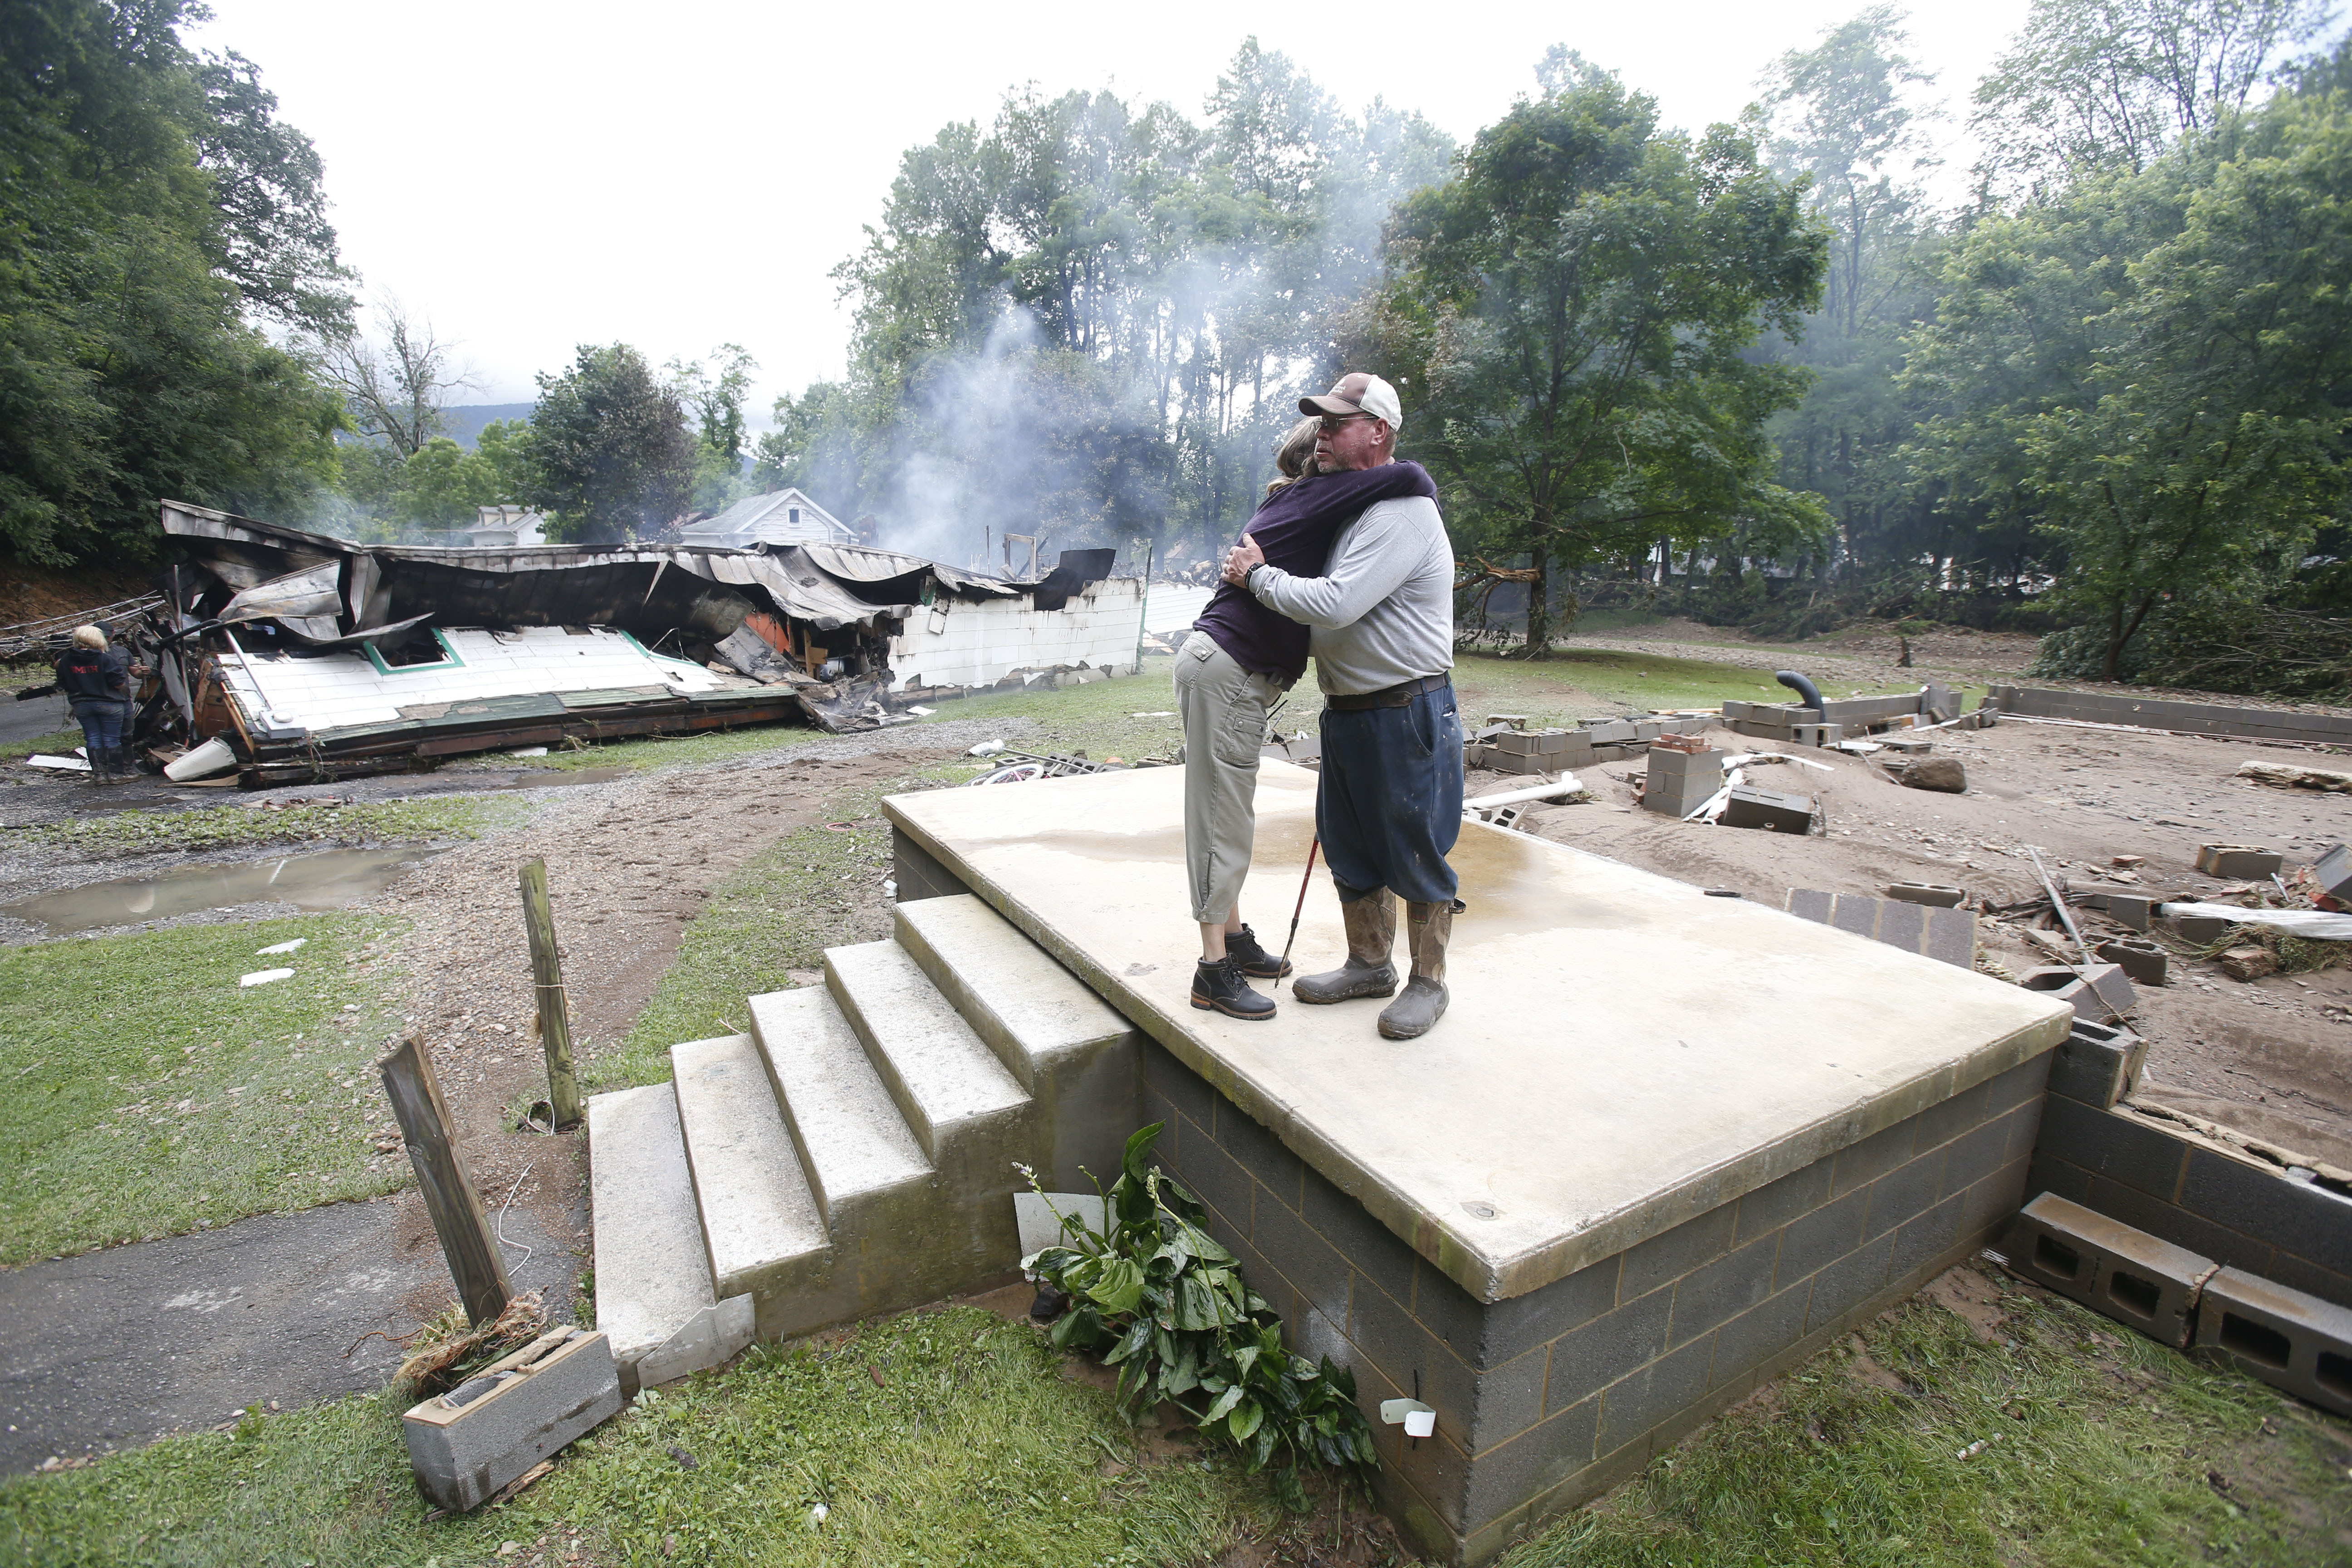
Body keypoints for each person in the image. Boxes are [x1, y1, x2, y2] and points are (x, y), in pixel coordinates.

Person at [1175, 415, 1439, 1020]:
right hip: (1229, 670)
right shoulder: (1317, 492)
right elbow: (1415, 476)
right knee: (1221, 821)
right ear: (1314, 462)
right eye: (1324, 444)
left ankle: (1234, 940)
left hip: (1227, 668)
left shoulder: (1299, 507)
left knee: (1226, 812)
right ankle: (1213, 970)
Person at [1222, 373, 1461, 1039]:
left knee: (1414, 844)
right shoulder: (1357, 507)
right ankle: (1369, 962)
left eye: (1335, 423)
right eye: (1319, 423)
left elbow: (1336, 602)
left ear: (1378, 432)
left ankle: (1427, 981)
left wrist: (1256, 575)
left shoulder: (1404, 515)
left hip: (1406, 708)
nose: (1321, 434)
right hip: (1352, 709)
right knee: (1349, 843)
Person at [55, 625, 142, 785]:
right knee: (112, 739)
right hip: (109, 704)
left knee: (93, 738)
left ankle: (100, 775)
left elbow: (62, 683)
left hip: (82, 704)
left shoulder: (66, 660)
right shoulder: (104, 658)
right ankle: (116, 775)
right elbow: (117, 683)